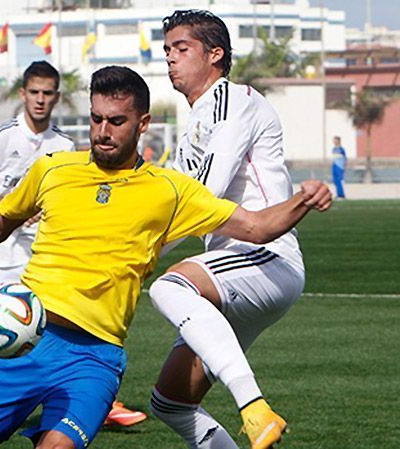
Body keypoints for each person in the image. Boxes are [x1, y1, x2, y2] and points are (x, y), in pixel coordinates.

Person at [0, 65, 331, 449]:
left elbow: (255, 227)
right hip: (26, 345)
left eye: (117, 122)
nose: (103, 131)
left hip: (94, 360)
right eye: (96, 119)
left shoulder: (169, 190)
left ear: (142, 123)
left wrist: (303, 200)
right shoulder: (53, 169)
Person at [0, 60, 145, 433]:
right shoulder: (2, 136)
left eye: (48, 93)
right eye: (34, 92)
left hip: (39, 257)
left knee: (47, 333)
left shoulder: (63, 144)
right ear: (23, 94)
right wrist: (17, 204)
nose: (41, 100)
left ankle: (89, 398)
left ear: (57, 97)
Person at [148, 10, 314, 449]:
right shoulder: (196, 123)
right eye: (166, 51)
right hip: (227, 273)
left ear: (215, 54)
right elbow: (183, 213)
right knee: (170, 404)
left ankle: (254, 407)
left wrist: (145, 248)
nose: (170, 59)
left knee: (169, 288)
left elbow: (205, 192)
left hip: (266, 257)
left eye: (181, 49)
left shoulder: (232, 101)